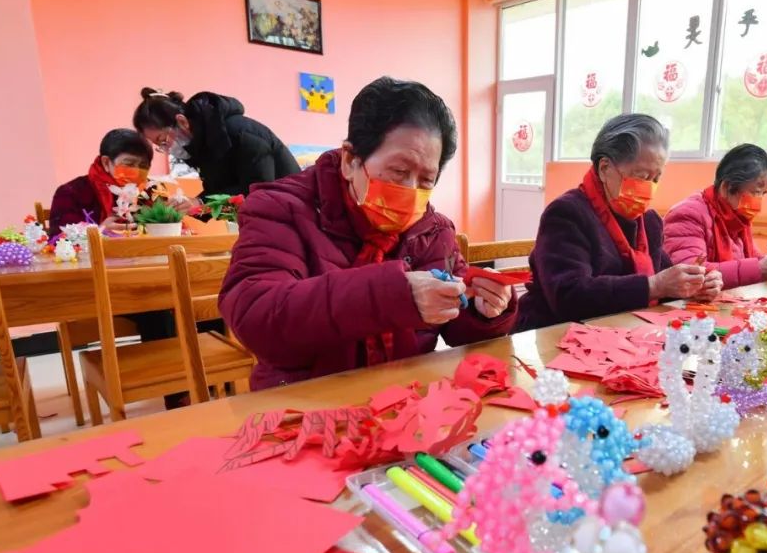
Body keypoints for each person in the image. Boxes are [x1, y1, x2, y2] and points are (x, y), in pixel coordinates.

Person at [219, 77, 516, 390]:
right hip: (303, 405)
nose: (410, 191)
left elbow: (456, 329)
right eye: (399, 173)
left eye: (426, 180)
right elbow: (257, 318)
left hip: (405, 403)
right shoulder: (281, 208)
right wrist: (393, 295)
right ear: (350, 160)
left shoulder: (433, 230)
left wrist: (484, 312)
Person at [515, 114, 721, 332]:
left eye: (656, 179)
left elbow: (667, 279)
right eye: (641, 176)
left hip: (624, 332)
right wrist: (653, 286)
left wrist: (694, 284)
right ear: (604, 168)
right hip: (556, 334)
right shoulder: (566, 213)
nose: (648, 187)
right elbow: (568, 296)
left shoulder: (649, 222)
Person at [663, 143, 767, 288]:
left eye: (763, 193)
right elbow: (690, 273)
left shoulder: (736, 217)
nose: (758, 200)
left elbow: (754, 259)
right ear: (726, 187)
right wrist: (760, 269)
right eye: (755, 192)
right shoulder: (688, 214)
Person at [132, 88, 299, 206]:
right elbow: (220, 195)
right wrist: (192, 208)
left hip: (293, 212)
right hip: (260, 222)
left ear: (182, 122)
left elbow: (259, 193)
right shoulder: (203, 148)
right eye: (159, 146)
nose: (167, 148)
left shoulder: (241, 134)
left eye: (163, 140)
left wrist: (201, 204)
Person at [48, 129, 151, 238]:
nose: (136, 172)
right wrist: (98, 232)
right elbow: (58, 239)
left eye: (143, 166)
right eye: (129, 164)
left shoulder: (150, 191)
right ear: (106, 162)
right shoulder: (71, 192)